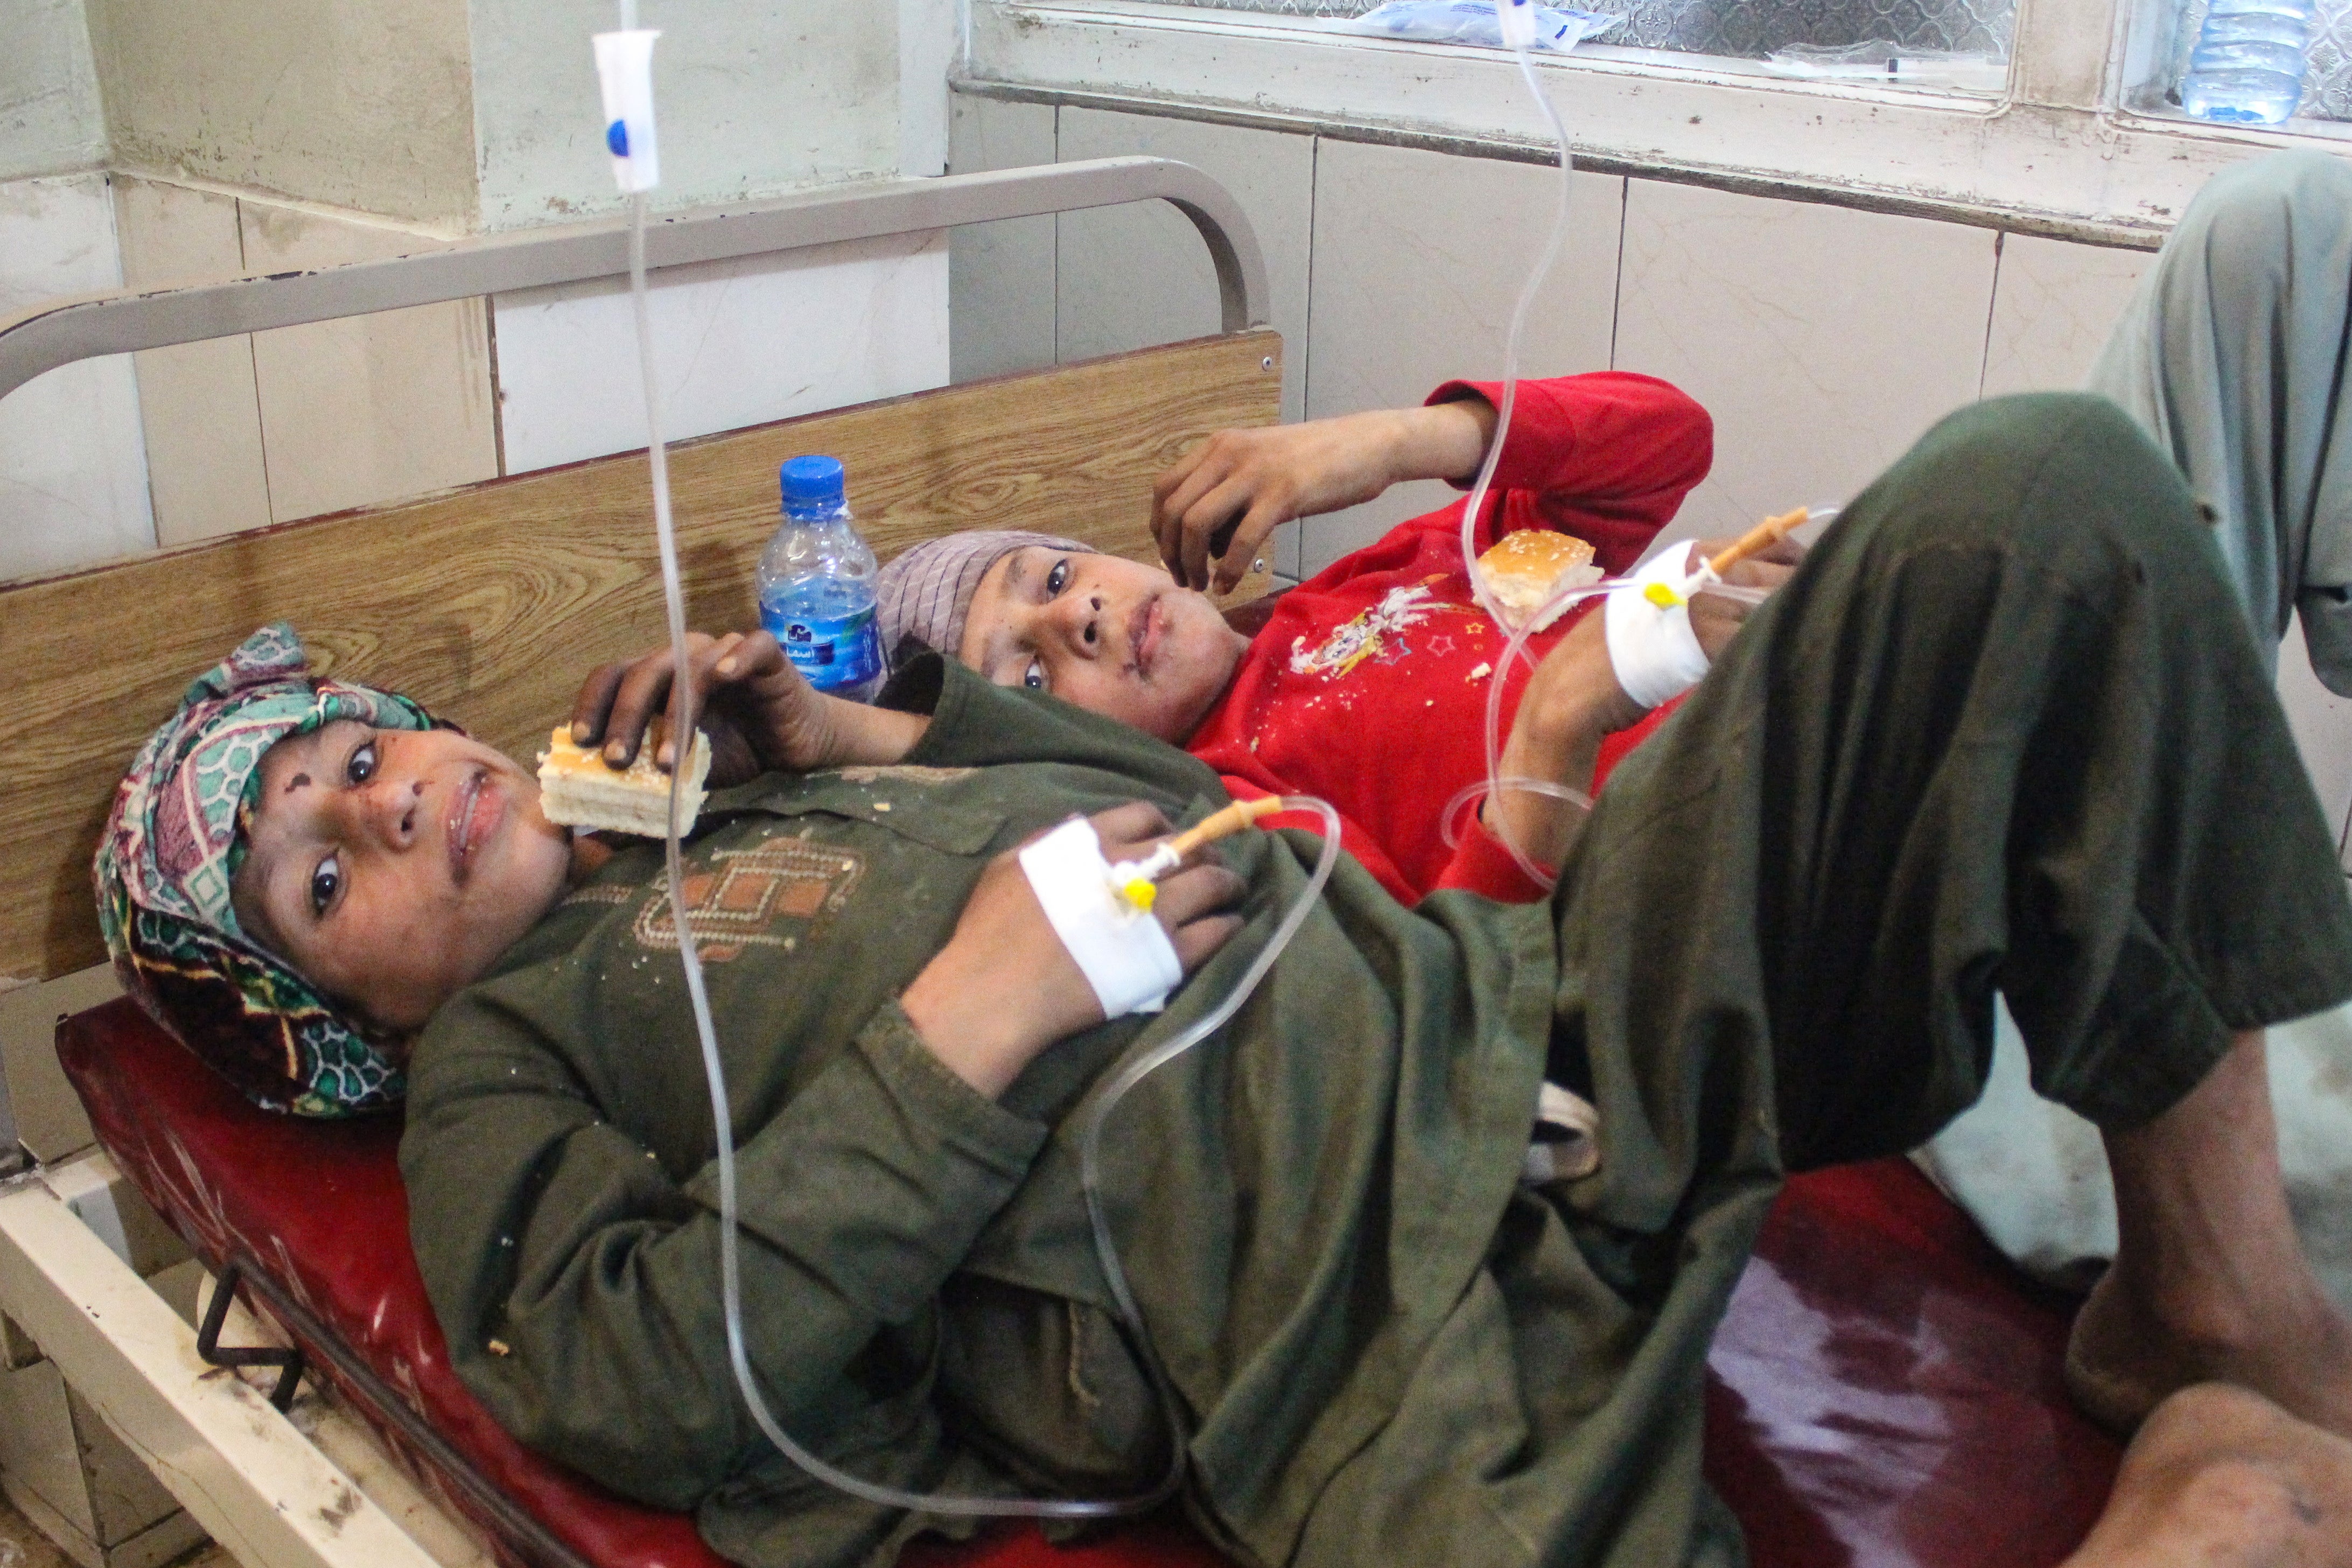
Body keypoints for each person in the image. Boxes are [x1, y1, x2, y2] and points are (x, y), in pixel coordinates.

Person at [96, 394, 2352, 1567]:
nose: (393, 795)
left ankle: (2212, 1300)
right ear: (332, 1028)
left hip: (1519, 1015)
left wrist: (865, 735)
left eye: (370, 744)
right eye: (320, 865)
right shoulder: (502, 1063)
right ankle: (2215, 1494)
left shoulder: (751, 798)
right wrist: (963, 1017)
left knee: (2035, 495)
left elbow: (1194, 793)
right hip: (1346, 1320)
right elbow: (651, 1380)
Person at [825, 372, 1793, 906]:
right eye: (1030, 673)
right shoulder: (1238, 807)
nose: (1077, 616)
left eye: (1058, 577)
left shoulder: (1371, 581)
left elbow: (1672, 440)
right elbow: (1458, 992)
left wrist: (1391, 443)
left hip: (1810, 715)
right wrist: (1560, 723)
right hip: (1746, 875)